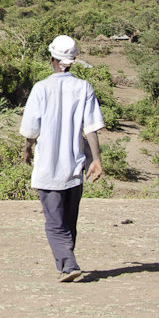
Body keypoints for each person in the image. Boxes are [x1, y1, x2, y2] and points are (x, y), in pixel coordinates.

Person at [20, 35, 105, 282]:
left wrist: (27, 150)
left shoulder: (40, 88)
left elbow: (30, 131)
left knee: (54, 221)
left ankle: (68, 265)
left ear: (52, 59)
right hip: (74, 166)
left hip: (48, 167)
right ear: (73, 61)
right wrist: (96, 159)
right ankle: (65, 262)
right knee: (69, 220)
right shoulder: (83, 88)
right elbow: (91, 128)